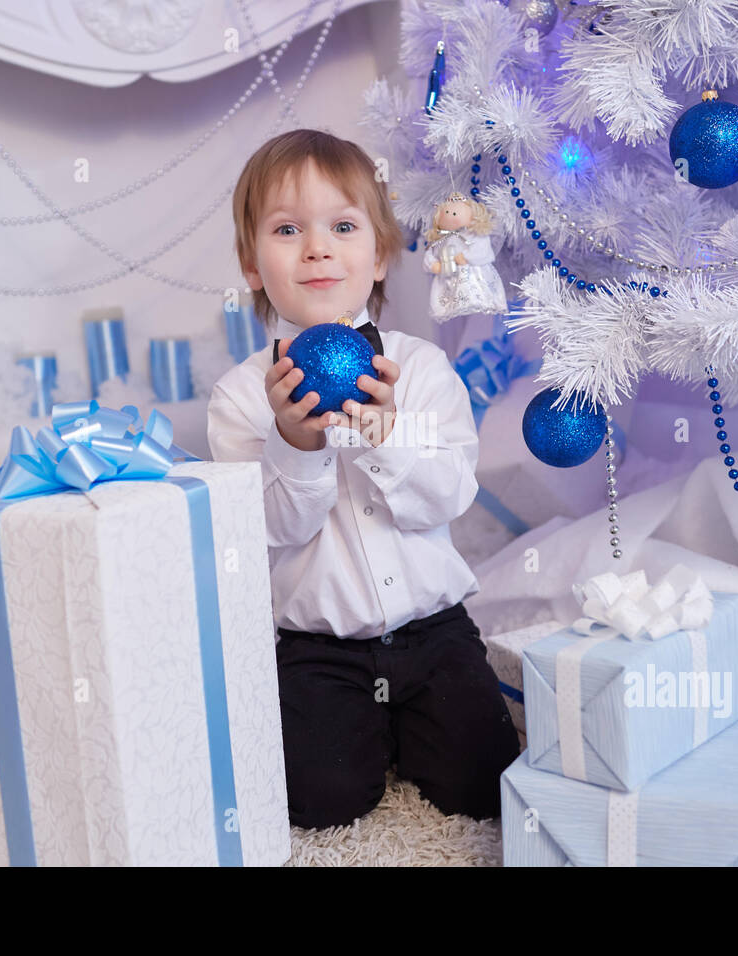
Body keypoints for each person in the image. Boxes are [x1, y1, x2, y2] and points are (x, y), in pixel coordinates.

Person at [207, 128, 521, 829]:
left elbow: (449, 495)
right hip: (318, 646)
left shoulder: (422, 369)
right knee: (321, 800)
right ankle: (365, 734)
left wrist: (385, 435)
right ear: (252, 264)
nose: (317, 248)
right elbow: (271, 530)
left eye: (342, 227)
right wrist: (294, 441)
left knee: (485, 785)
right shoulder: (238, 397)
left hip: (431, 628)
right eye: (288, 230)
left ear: (378, 256)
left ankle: (415, 728)